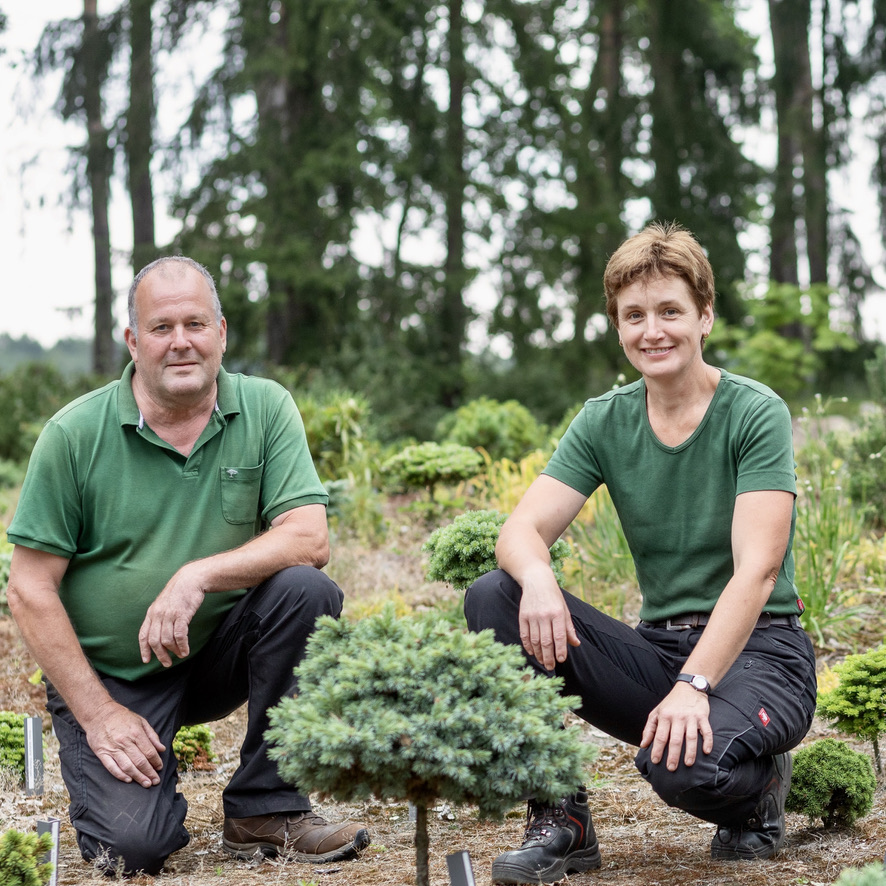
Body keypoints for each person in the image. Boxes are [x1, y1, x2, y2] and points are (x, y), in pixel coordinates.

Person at [464, 222, 817, 884]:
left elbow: (758, 570)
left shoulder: (754, 412)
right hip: (659, 652)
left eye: (670, 312)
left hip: (762, 654)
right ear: (617, 327)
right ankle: (561, 821)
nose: (652, 331)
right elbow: (518, 531)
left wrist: (694, 685)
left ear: (705, 316)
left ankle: (760, 790)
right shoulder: (605, 420)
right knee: (495, 594)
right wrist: (538, 578)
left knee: (680, 768)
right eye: (634, 316)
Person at [6, 256, 370, 876]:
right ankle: (138, 789)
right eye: (161, 327)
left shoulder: (264, 408)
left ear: (222, 333)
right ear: (132, 340)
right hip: (115, 677)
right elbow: (28, 588)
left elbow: (309, 538)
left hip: (216, 655)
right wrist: (97, 714)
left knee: (305, 590)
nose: (181, 342)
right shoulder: (73, 435)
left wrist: (194, 576)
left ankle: (265, 806)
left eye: (196, 324)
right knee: (134, 851)